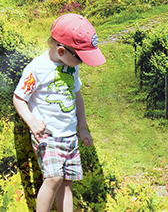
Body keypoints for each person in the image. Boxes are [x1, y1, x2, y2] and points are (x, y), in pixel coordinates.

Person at [13, 13, 106, 212]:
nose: (82, 63)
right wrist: (31, 120)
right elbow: (19, 97)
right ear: (62, 51)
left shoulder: (71, 66)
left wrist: (82, 127)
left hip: (69, 135)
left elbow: (77, 96)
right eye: (80, 58)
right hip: (48, 135)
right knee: (53, 178)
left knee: (66, 182)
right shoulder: (37, 68)